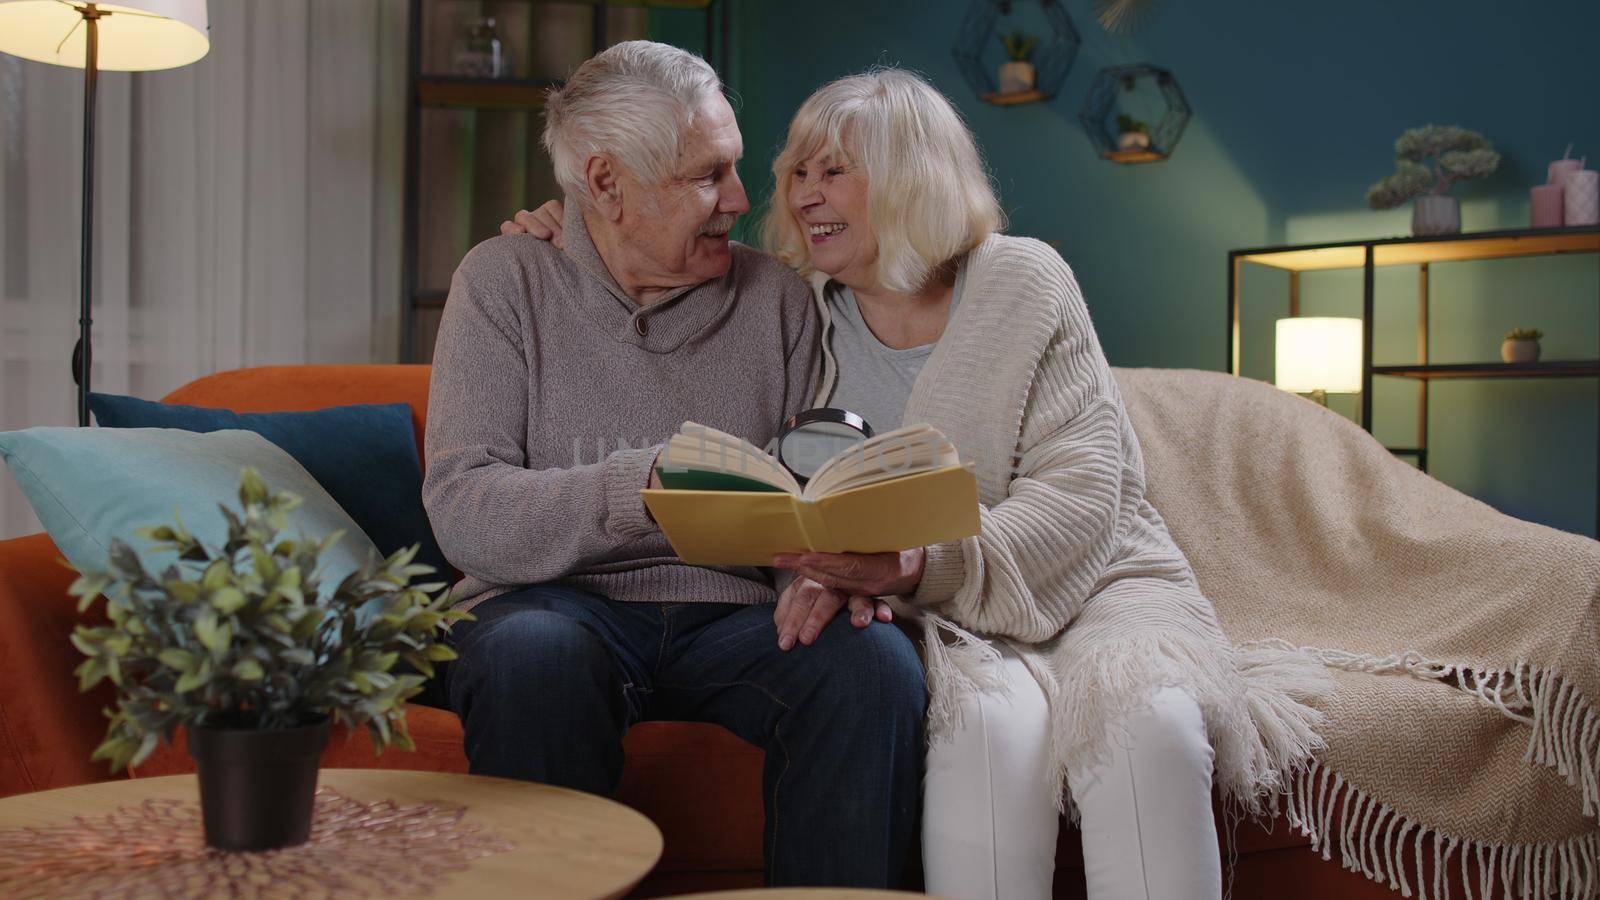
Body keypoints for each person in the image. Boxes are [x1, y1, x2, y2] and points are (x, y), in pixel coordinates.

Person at [506, 69, 1329, 900]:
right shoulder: (804, 312)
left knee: (1151, 730)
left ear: (909, 181)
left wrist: (915, 560)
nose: (800, 197)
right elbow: (803, 500)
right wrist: (572, 229)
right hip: (941, 620)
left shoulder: (1023, 280)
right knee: (982, 732)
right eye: (798, 171)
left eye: (834, 172)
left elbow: (1085, 490)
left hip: (1086, 586)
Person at [427, 43, 929, 889]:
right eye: (707, 178)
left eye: (732, 169)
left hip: (732, 614)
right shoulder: (504, 281)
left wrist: (819, 572)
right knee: (535, 658)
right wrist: (640, 490)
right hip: (552, 605)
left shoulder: (778, 298)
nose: (738, 199)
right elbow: (465, 509)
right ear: (607, 184)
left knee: (870, 665)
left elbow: (812, 489)